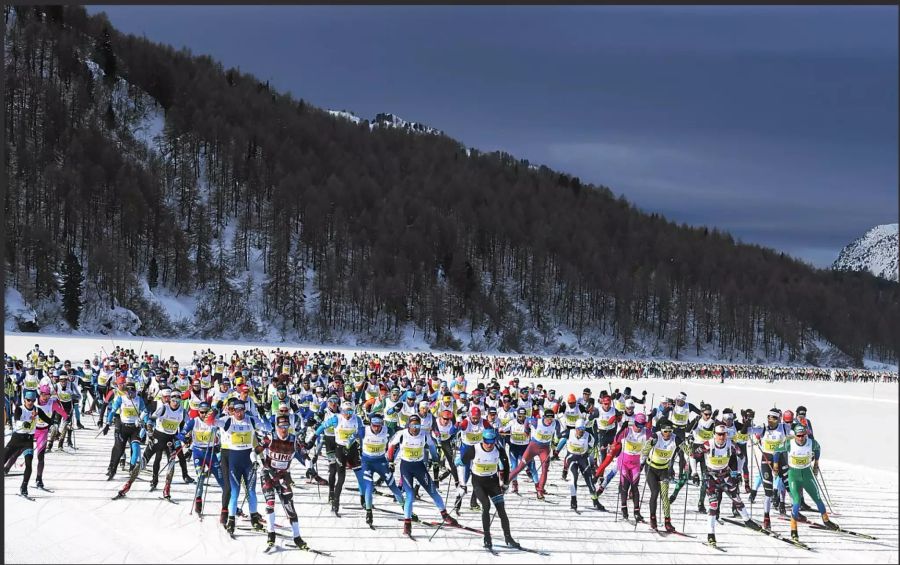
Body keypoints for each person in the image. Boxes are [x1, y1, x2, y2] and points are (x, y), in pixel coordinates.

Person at [387, 414, 458, 536]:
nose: (415, 428)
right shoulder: (402, 434)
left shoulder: (424, 434)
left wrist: (436, 460)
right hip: (406, 467)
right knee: (409, 495)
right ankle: (407, 523)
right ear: (409, 425)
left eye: (418, 425)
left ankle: (445, 515)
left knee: (432, 491)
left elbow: (431, 446)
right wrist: (390, 460)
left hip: (419, 466)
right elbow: (391, 445)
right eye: (413, 425)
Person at [694, 424, 759, 548]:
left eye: (723, 434)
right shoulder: (708, 444)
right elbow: (693, 456)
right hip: (711, 477)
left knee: (736, 497)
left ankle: (747, 520)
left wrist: (738, 472)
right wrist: (694, 472)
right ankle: (711, 535)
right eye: (719, 434)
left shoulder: (731, 444)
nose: (721, 437)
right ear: (715, 434)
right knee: (713, 505)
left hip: (725, 475)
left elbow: (742, 456)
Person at [257, 414, 310, 550]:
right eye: (281, 427)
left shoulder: (293, 440)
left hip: (283, 476)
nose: (283, 430)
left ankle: (297, 537)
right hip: (268, 474)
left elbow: (305, 455)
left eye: (286, 426)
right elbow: (255, 451)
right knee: (270, 503)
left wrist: (310, 468)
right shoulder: (270, 437)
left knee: (290, 507)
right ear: (277, 426)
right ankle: (271, 534)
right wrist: (255, 462)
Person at [461, 427, 520, 550]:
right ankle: (487, 537)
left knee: (501, 510)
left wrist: (505, 482)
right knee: (486, 506)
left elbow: (506, 465)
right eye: (487, 441)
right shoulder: (474, 448)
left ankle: (508, 537)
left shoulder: (498, 449)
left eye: (491, 441)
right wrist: (462, 480)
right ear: (483, 440)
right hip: (478, 482)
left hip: (493, 482)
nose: (489, 444)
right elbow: (463, 461)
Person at [778, 423, 838, 542]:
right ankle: (793, 529)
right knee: (796, 501)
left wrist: (816, 462)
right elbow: (776, 450)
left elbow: (818, 449)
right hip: (794, 475)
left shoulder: (811, 442)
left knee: (817, 498)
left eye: (803, 435)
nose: (801, 438)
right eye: (799, 435)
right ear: (795, 435)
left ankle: (826, 520)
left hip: (807, 474)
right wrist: (775, 465)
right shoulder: (789, 443)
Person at [311, 400, 365, 515]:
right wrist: (313, 438)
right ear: (342, 411)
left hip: (353, 450)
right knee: (341, 478)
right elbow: (322, 426)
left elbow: (362, 433)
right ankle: (336, 502)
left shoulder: (357, 419)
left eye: (351, 411)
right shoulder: (337, 418)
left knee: (360, 476)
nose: (348, 414)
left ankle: (363, 499)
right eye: (346, 411)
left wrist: (361, 446)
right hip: (340, 450)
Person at [358, 413, 407, 526]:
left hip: (381, 462)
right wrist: (347, 447)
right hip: (367, 463)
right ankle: (369, 512)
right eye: (374, 425)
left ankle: (406, 510)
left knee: (393, 486)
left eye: (379, 425)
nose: (376, 428)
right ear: (370, 424)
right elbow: (351, 437)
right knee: (369, 487)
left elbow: (401, 434)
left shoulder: (387, 430)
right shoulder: (364, 430)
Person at [506, 409, 562, 500]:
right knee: (520, 467)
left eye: (552, 418)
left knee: (545, 469)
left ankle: (540, 491)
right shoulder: (537, 422)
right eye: (548, 418)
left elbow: (558, 434)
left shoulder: (556, 423)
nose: (550, 421)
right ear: (544, 417)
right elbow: (527, 420)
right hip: (533, 447)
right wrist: (526, 430)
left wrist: (555, 442)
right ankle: (505, 484)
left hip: (545, 449)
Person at [556, 418, 603, 511]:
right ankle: (573, 501)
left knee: (589, 481)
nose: (581, 431)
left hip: (582, 459)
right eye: (579, 429)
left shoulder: (589, 436)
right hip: (571, 458)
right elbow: (558, 437)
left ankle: (595, 501)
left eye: (583, 429)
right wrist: (554, 447)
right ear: (576, 428)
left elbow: (591, 448)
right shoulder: (569, 432)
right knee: (574, 478)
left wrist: (589, 456)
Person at [642, 417, 679, 532]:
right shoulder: (656, 436)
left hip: (663, 470)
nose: (667, 434)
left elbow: (688, 451)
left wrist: (689, 445)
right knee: (655, 492)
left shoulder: (675, 438)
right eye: (665, 431)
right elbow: (644, 451)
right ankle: (653, 519)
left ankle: (667, 522)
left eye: (670, 431)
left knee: (665, 496)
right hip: (651, 468)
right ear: (662, 430)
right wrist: (650, 445)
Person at [3, 389, 42, 497]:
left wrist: (54, 424)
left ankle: (24, 487)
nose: (30, 402)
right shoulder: (19, 409)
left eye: (33, 400)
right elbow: (17, 420)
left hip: (28, 441)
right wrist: (28, 421)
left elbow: (47, 419)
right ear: (24, 400)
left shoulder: (36, 409)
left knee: (29, 464)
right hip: (16, 439)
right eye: (28, 400)